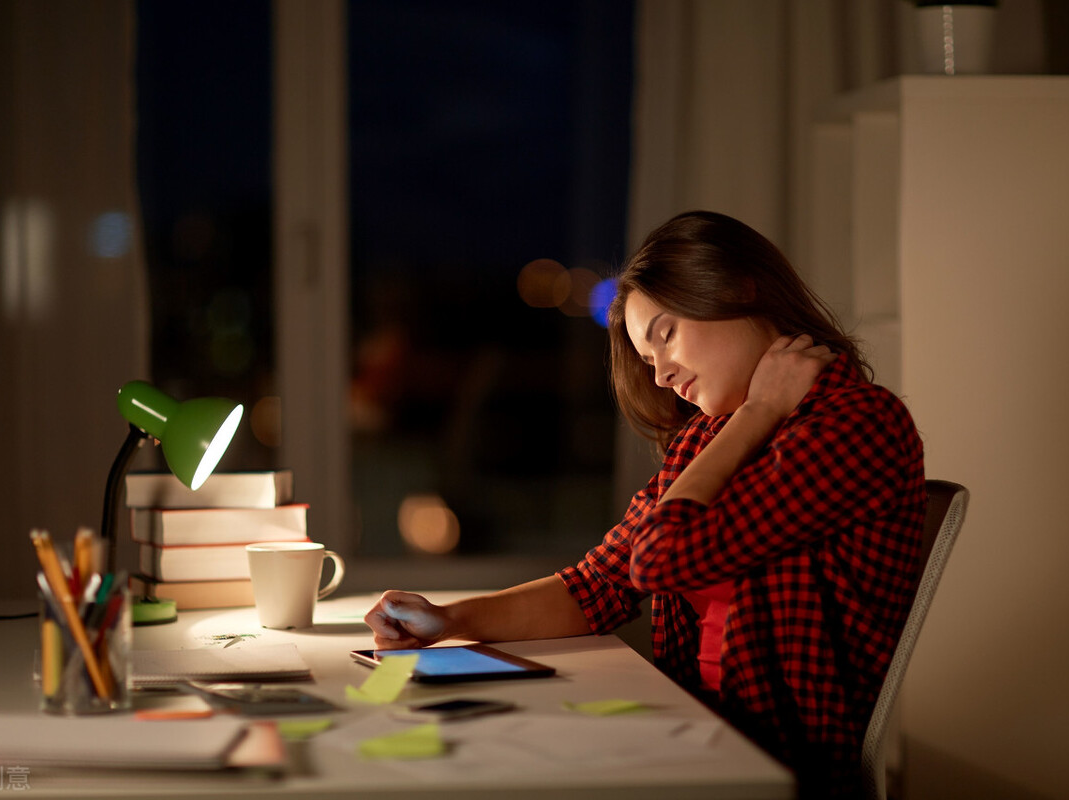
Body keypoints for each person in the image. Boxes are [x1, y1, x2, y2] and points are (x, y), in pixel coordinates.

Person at [364, 210, 926, 798]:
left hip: (774, 767)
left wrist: (760, 412)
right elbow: (599, 584)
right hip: (698, 736)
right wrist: (448, 621)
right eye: (646, 354)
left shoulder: (854, 424)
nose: (659, 375)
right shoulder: (710, 438)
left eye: (665, 335)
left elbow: (660, 560)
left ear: (736, 289)